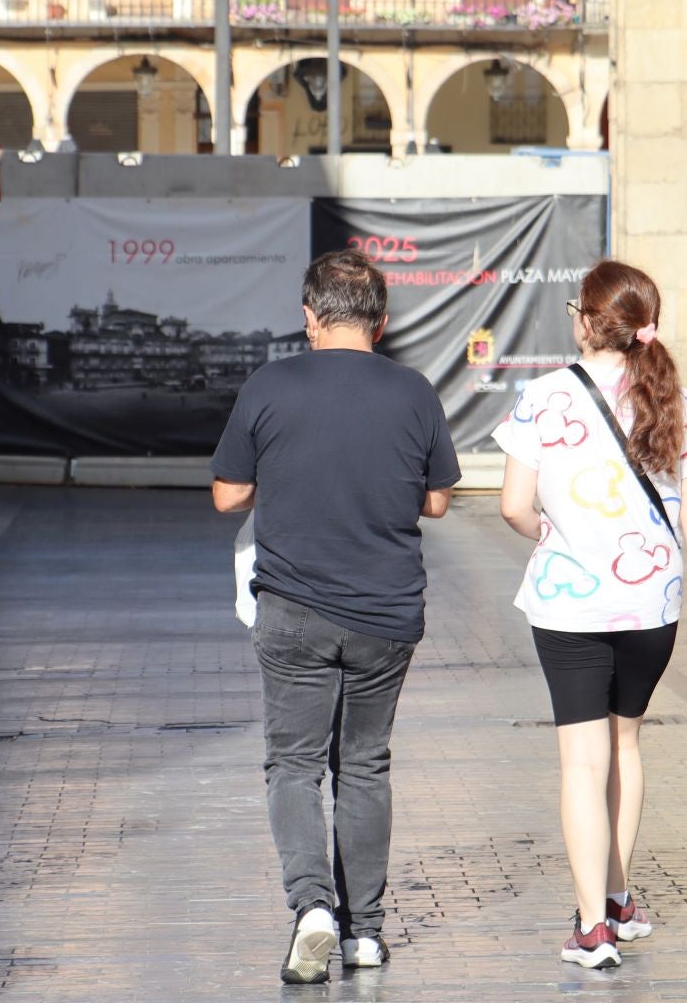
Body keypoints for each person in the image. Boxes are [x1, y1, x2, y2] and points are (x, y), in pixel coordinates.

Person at [211, 249, 460, 984]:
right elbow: (439, 499)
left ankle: (313, 907)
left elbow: (228, 496)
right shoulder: (413, 391)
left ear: (309, 316)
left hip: (292, 608)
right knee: (365, 765)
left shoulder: (270, 384)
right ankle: (367, 934)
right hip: (386, 611)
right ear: (381, 323)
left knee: (293, 764)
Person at [493, 260, 687, 971]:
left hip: (569, 601)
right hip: (650, 601)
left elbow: (511, 505)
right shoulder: (680, 404)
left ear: (589, 321)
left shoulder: (543, 396)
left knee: (580, 759)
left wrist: (551, 534)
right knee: (625, 746)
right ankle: (619, 899)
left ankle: (592, 925)